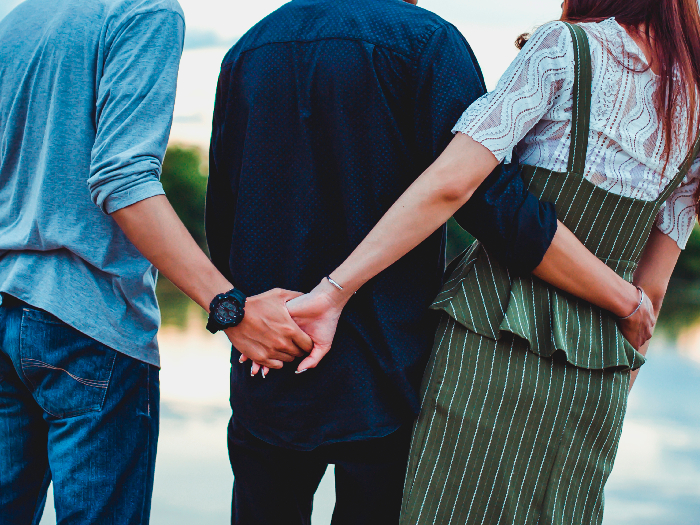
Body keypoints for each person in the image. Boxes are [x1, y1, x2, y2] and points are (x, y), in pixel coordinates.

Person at [207, 0, 654, 523]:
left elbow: (224, 211)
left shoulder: (252, 46)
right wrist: (621, 296)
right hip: (391, 373)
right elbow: (488, 200)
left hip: (269, 363)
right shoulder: (428, 43)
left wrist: (241, 315)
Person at [0, 1, 311, 523]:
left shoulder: (23, 18)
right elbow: (122, 179)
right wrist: (228, 307)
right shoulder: (143, 11)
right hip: (87, 321)